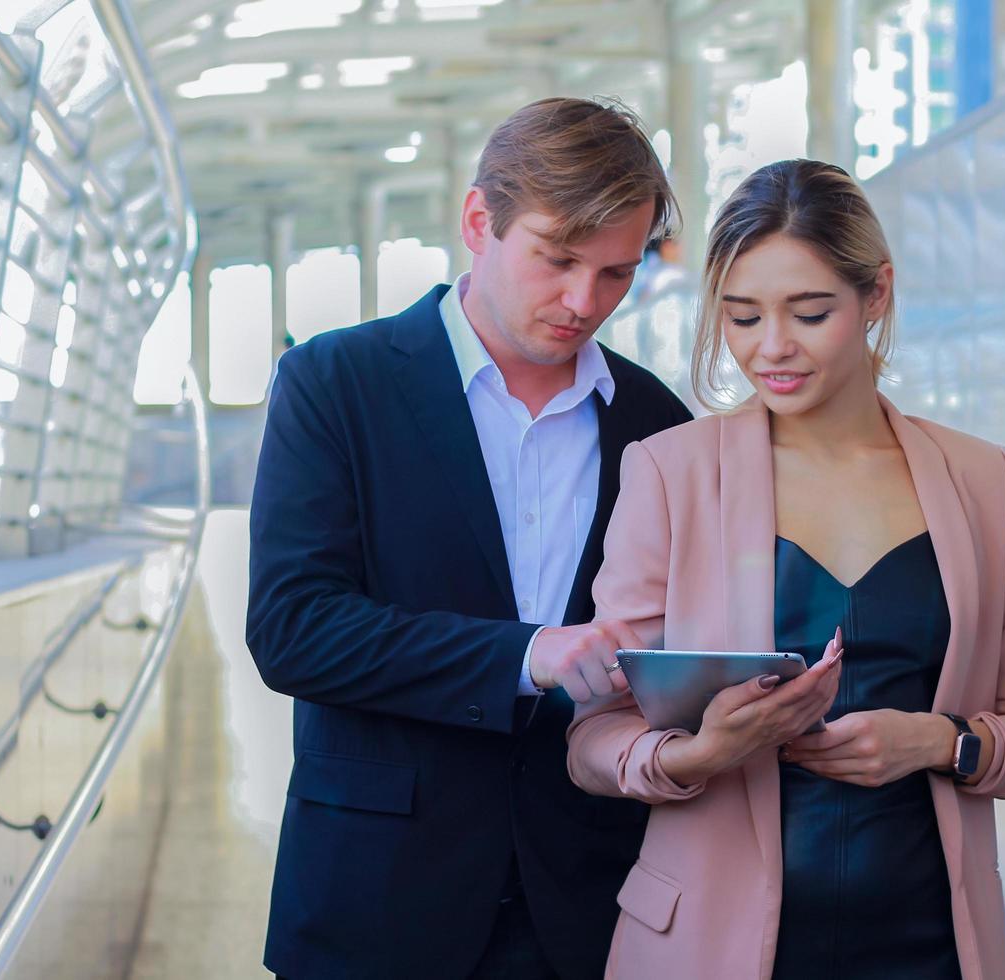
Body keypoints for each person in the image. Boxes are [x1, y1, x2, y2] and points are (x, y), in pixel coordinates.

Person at [567, 159, 1005, 980]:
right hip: (711, 947)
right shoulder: (670, 473)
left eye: (809, 313)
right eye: (740, 318)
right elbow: (593, 735)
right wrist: (695, 756)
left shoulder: (982, 480)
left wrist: (940, 743)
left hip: (930, 942)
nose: (771, 349)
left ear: (876, 295)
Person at [246, 97, 692, 979]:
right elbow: (294, 629)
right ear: (478, 221)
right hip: (377, 905)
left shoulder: (655, 423)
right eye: (558, 258)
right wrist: (529, 656)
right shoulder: (335, 384)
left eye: (616, 272)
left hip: (588, 907)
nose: (583, 301)